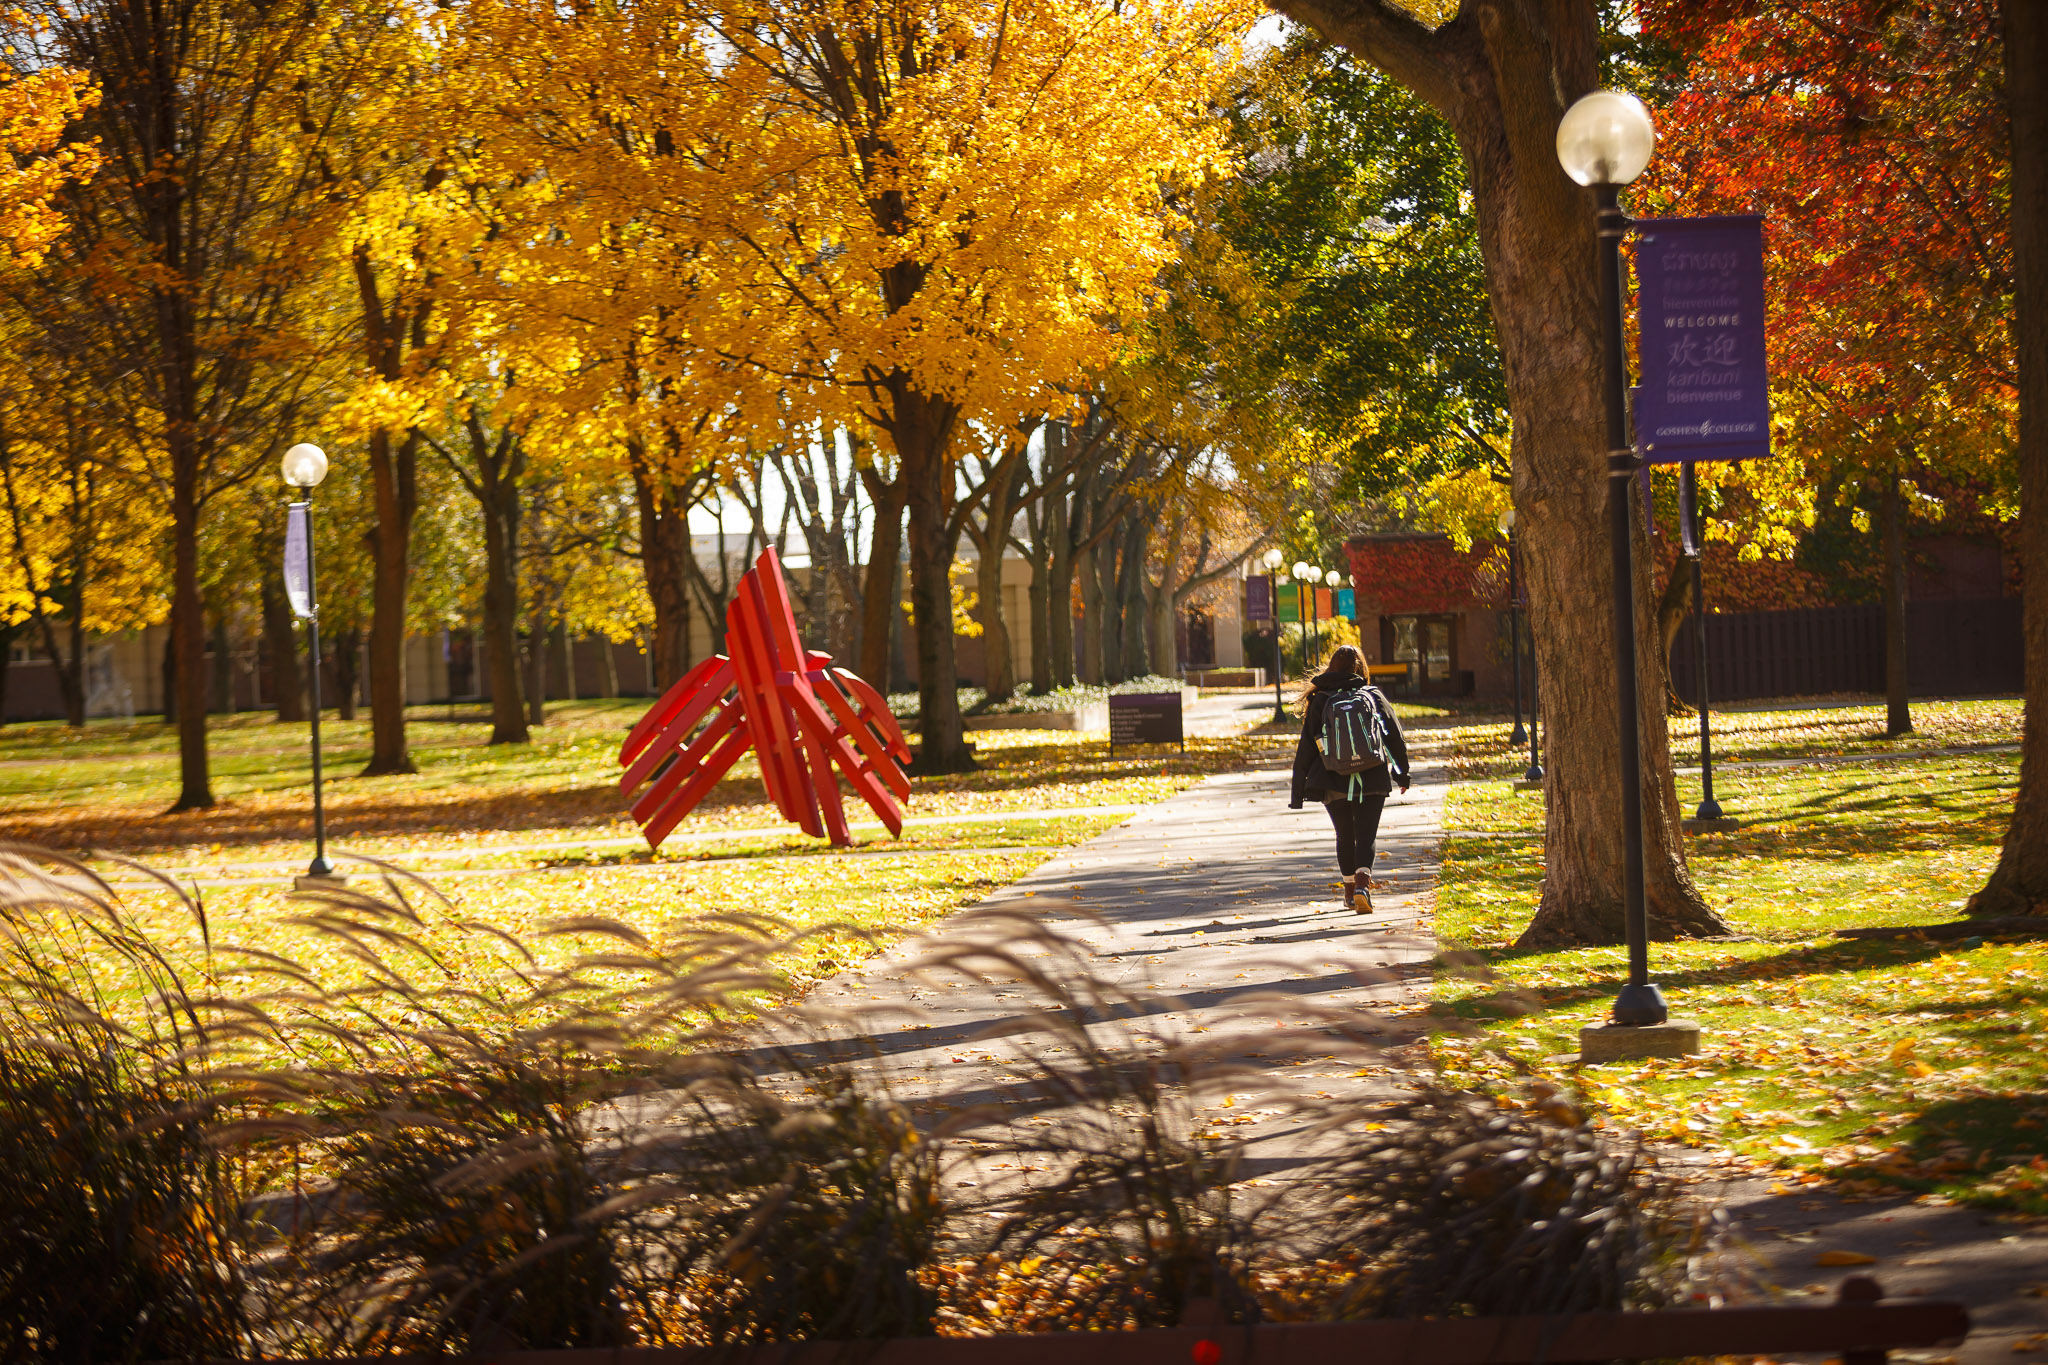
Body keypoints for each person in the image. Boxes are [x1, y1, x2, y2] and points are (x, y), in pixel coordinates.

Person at [1288, 645, 1409, 913]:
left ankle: (1349, 891)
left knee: (1344, 834)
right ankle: (1364, 886)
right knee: (1366, 835)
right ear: (1361, 668)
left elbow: (1306, 746)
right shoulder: (1372, 694)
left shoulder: (1320, 698)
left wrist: (1298, 791)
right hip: (1373, 776)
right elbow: (1394, 736)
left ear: (1332, 666)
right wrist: (1402, 772)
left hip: (1332, 779)